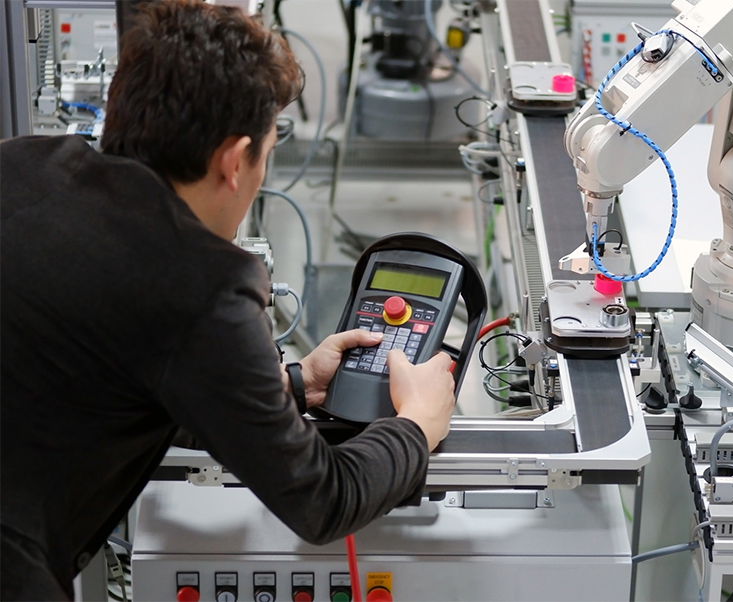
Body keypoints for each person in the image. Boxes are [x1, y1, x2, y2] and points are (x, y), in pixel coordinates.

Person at [0, 1, 456, 600]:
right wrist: (416, 425)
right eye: (267, 153)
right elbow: (324, 499)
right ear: (233, 161)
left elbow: (118, 362)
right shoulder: (200, 285)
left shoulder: (21, 162)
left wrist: (290, 386)